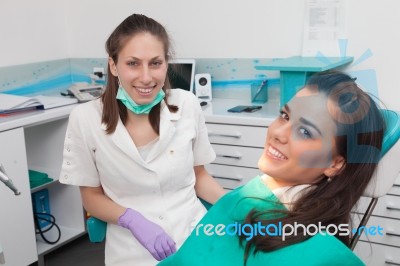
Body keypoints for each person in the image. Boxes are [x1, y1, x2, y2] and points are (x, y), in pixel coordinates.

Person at [158, 70, 385, 266]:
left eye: (305, 132)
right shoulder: (254, 192)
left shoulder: (319, 254)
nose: (277, 133)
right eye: (285, 116)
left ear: (334, 164)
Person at [59, 13, 225, 265]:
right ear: (114, 66)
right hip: (131, 249)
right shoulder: (85, 119)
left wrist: (235, 207)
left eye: (155, 63)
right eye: (133, 63)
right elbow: (91, 195)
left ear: (166, 64)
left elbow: (200, 176)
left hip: (195, 234)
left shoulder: (187, 104)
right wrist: (132, 221)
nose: (146, 77)